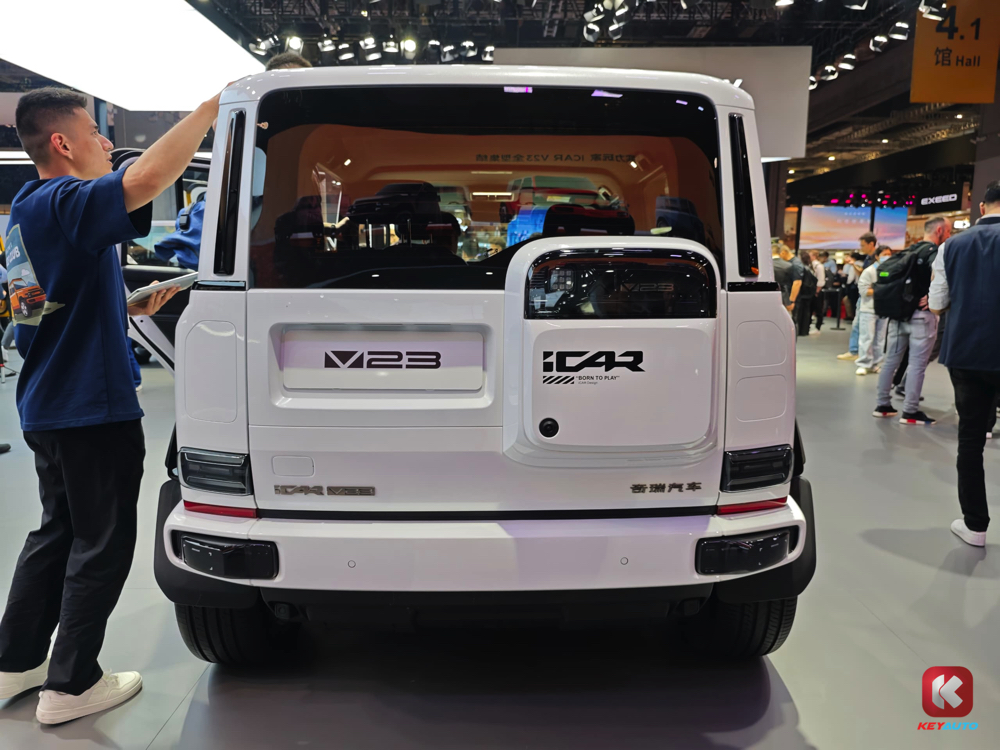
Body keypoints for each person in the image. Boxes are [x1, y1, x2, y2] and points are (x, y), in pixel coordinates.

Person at [0, 85, 222, 724]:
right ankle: (72, 684)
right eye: (94, 133)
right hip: (90, 406)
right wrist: (210, 109)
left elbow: (37, 309)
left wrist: (122, 306)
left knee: (57, 533)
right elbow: (145, 178)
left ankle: (17, 660)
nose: (105, 142)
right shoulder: (67, 199)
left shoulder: (27, 210)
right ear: (62, 143)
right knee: (101, 541)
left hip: (48, 401)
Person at [928, 181, 1000, 547]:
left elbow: (937, 303)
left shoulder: (951, 246)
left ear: (982, 207)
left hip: (967, 352)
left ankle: (975, 526)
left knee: (970, 440)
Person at [872, 218, 949, 425]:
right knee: (917, 364)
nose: (949, 235)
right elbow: (941, 275)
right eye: (948, 231)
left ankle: (882, 405)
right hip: (922, 317)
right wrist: (932, 296)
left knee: (891, 361)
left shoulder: (908, 251)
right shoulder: (934, 252)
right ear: (939, 230)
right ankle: (910, 411)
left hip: (898, 315)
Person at [839, 232, 879, 359]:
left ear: (871, 244)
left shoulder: (876, 259)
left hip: (872, 298)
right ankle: (855, 351)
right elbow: (863, 274)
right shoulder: (868, 258)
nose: (861, 248)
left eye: (863, 245)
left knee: (869, 330)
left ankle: (863, 354)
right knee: (857, 325)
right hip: (864, 295)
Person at [855, 245, 892, 375]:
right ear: (877, 256)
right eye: (884, 254)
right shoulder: (869, 271)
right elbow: (864, 291)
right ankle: (863, 363)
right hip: (868, 309)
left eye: (889, 254)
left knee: (880, 339)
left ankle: (875, 363)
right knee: (867, 337)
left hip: (884, 310)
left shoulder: (891, 270)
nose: (887, 257)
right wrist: (881, 290)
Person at [792, 250, 817, 336]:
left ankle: (800, 330)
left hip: (802, 293)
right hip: (808, 293)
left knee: (800, 312)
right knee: (806, 312)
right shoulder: (809, 268)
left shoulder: (801, 268)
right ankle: (804, 330)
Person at [772, 241, 795, 311]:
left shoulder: (764, 266)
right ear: (780, 252)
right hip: (783, 298)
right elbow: (789, 285)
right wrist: (789, 302)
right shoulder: (788, 266)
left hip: (766, 297)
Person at [809, 250, 826, 333]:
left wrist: (817, 290)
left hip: (817, 290)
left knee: (818, 309)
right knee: (810, 309)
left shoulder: (819, 266)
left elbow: (821, 279)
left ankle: (818, 327)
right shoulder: (810, 265)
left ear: (814, 256)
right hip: (811, 290)